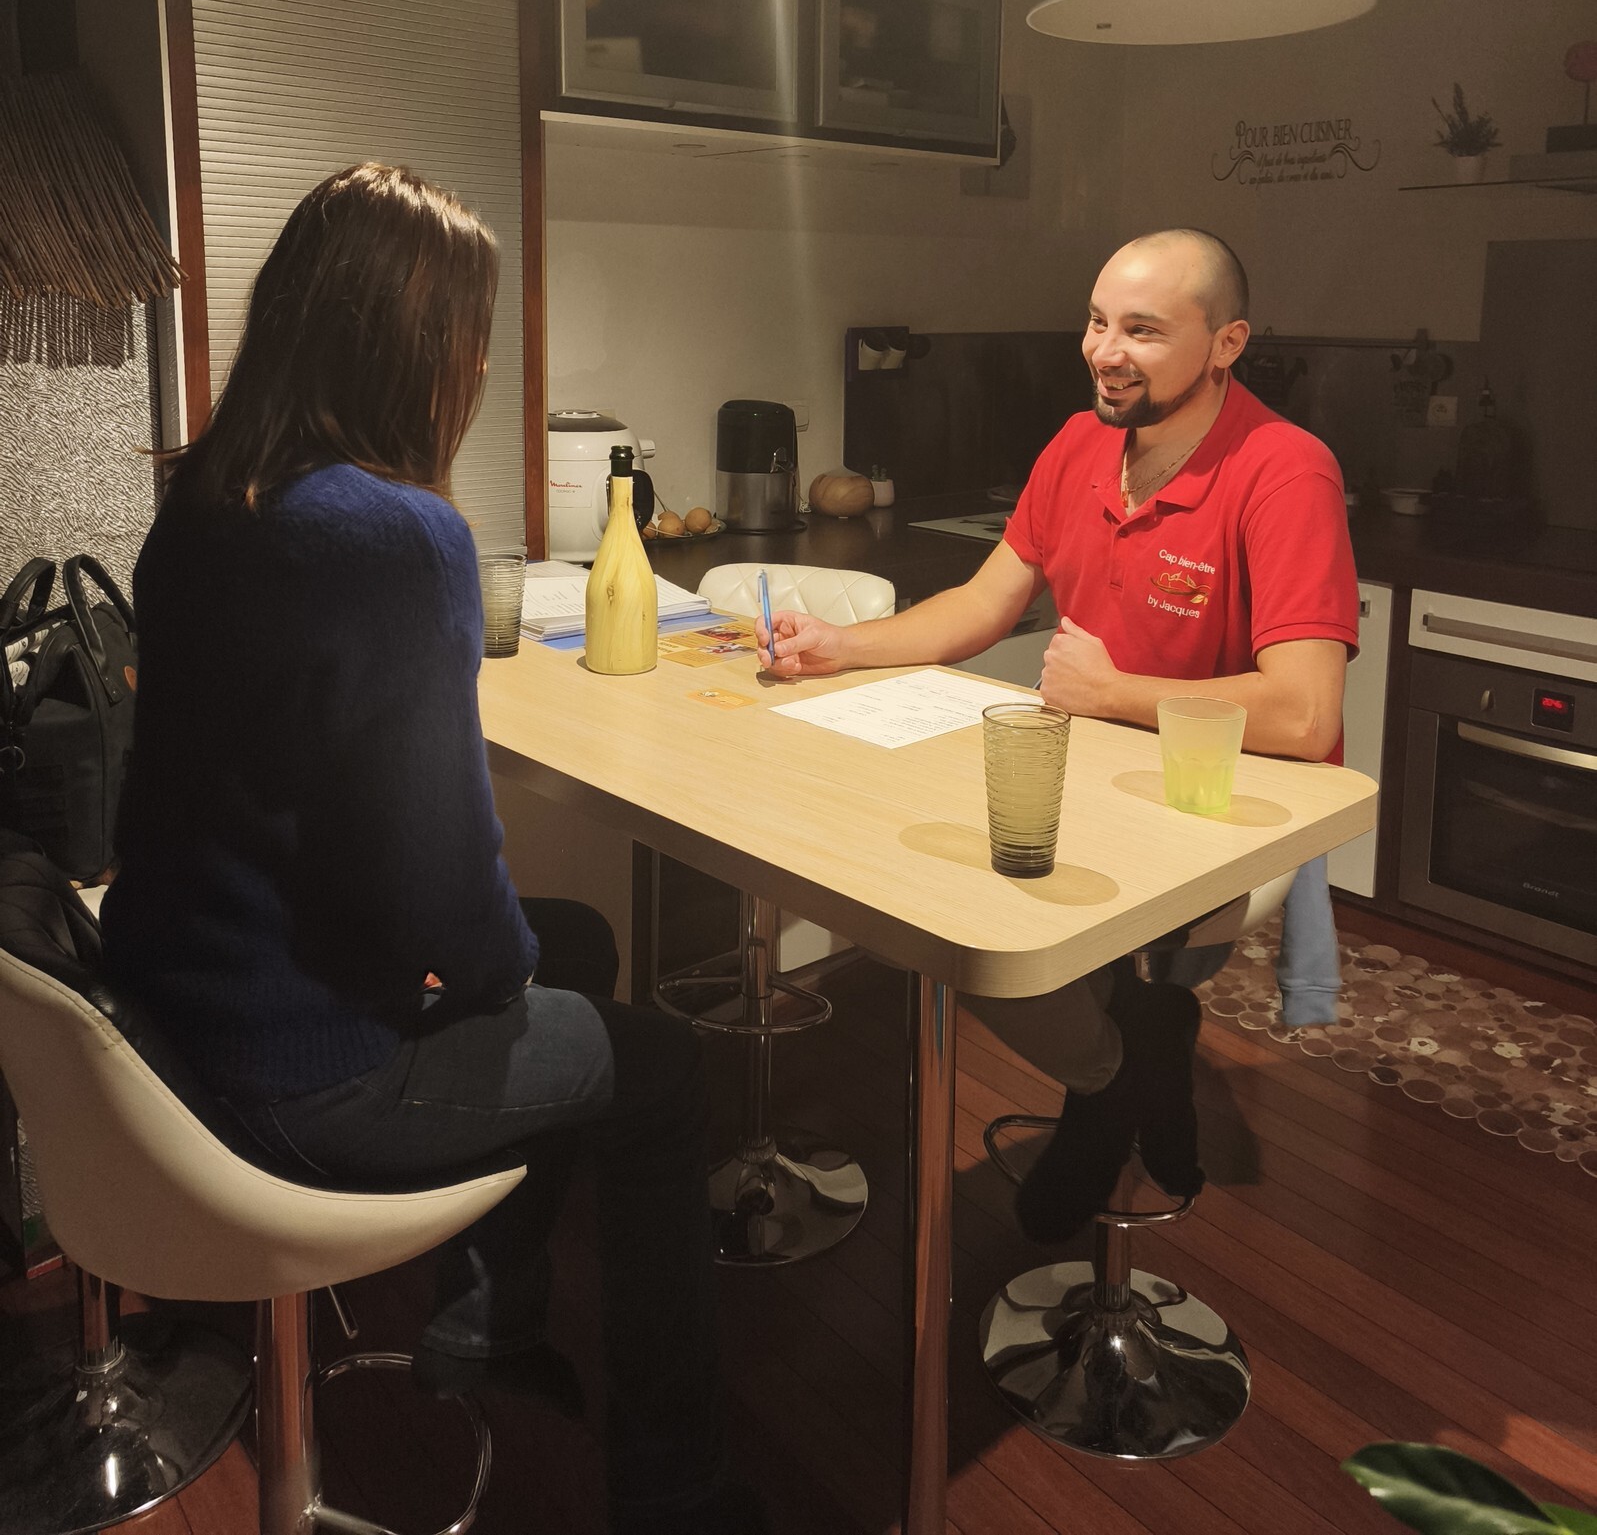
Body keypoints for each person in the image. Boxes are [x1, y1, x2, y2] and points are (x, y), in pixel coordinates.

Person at [101, 163, 765, 1535]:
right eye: (468, 330)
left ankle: (485, 1321)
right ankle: (679, 1495)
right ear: (420, 345)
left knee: (569, 947)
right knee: (656, 1068)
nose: (474, 361)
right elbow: (439, 909)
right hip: (296, 1076)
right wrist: (488, 974)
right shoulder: (397, 537)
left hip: (173, 1021)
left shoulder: (209, 498)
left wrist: (499, 967)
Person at [758, 228, 1358, 1237]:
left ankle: (1109, 1073)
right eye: (1095, 321)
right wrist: (842, 643)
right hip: (1085, 776)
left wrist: (1110, 689)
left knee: (982, 927)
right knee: (921, 890)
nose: (1103, 349)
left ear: (1225, 343)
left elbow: (1304, 713)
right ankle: (1128, 1052)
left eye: (1142, 329)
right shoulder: (1079, 445)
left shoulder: (1283, 471)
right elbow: (985, 600)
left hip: (1214, 813)